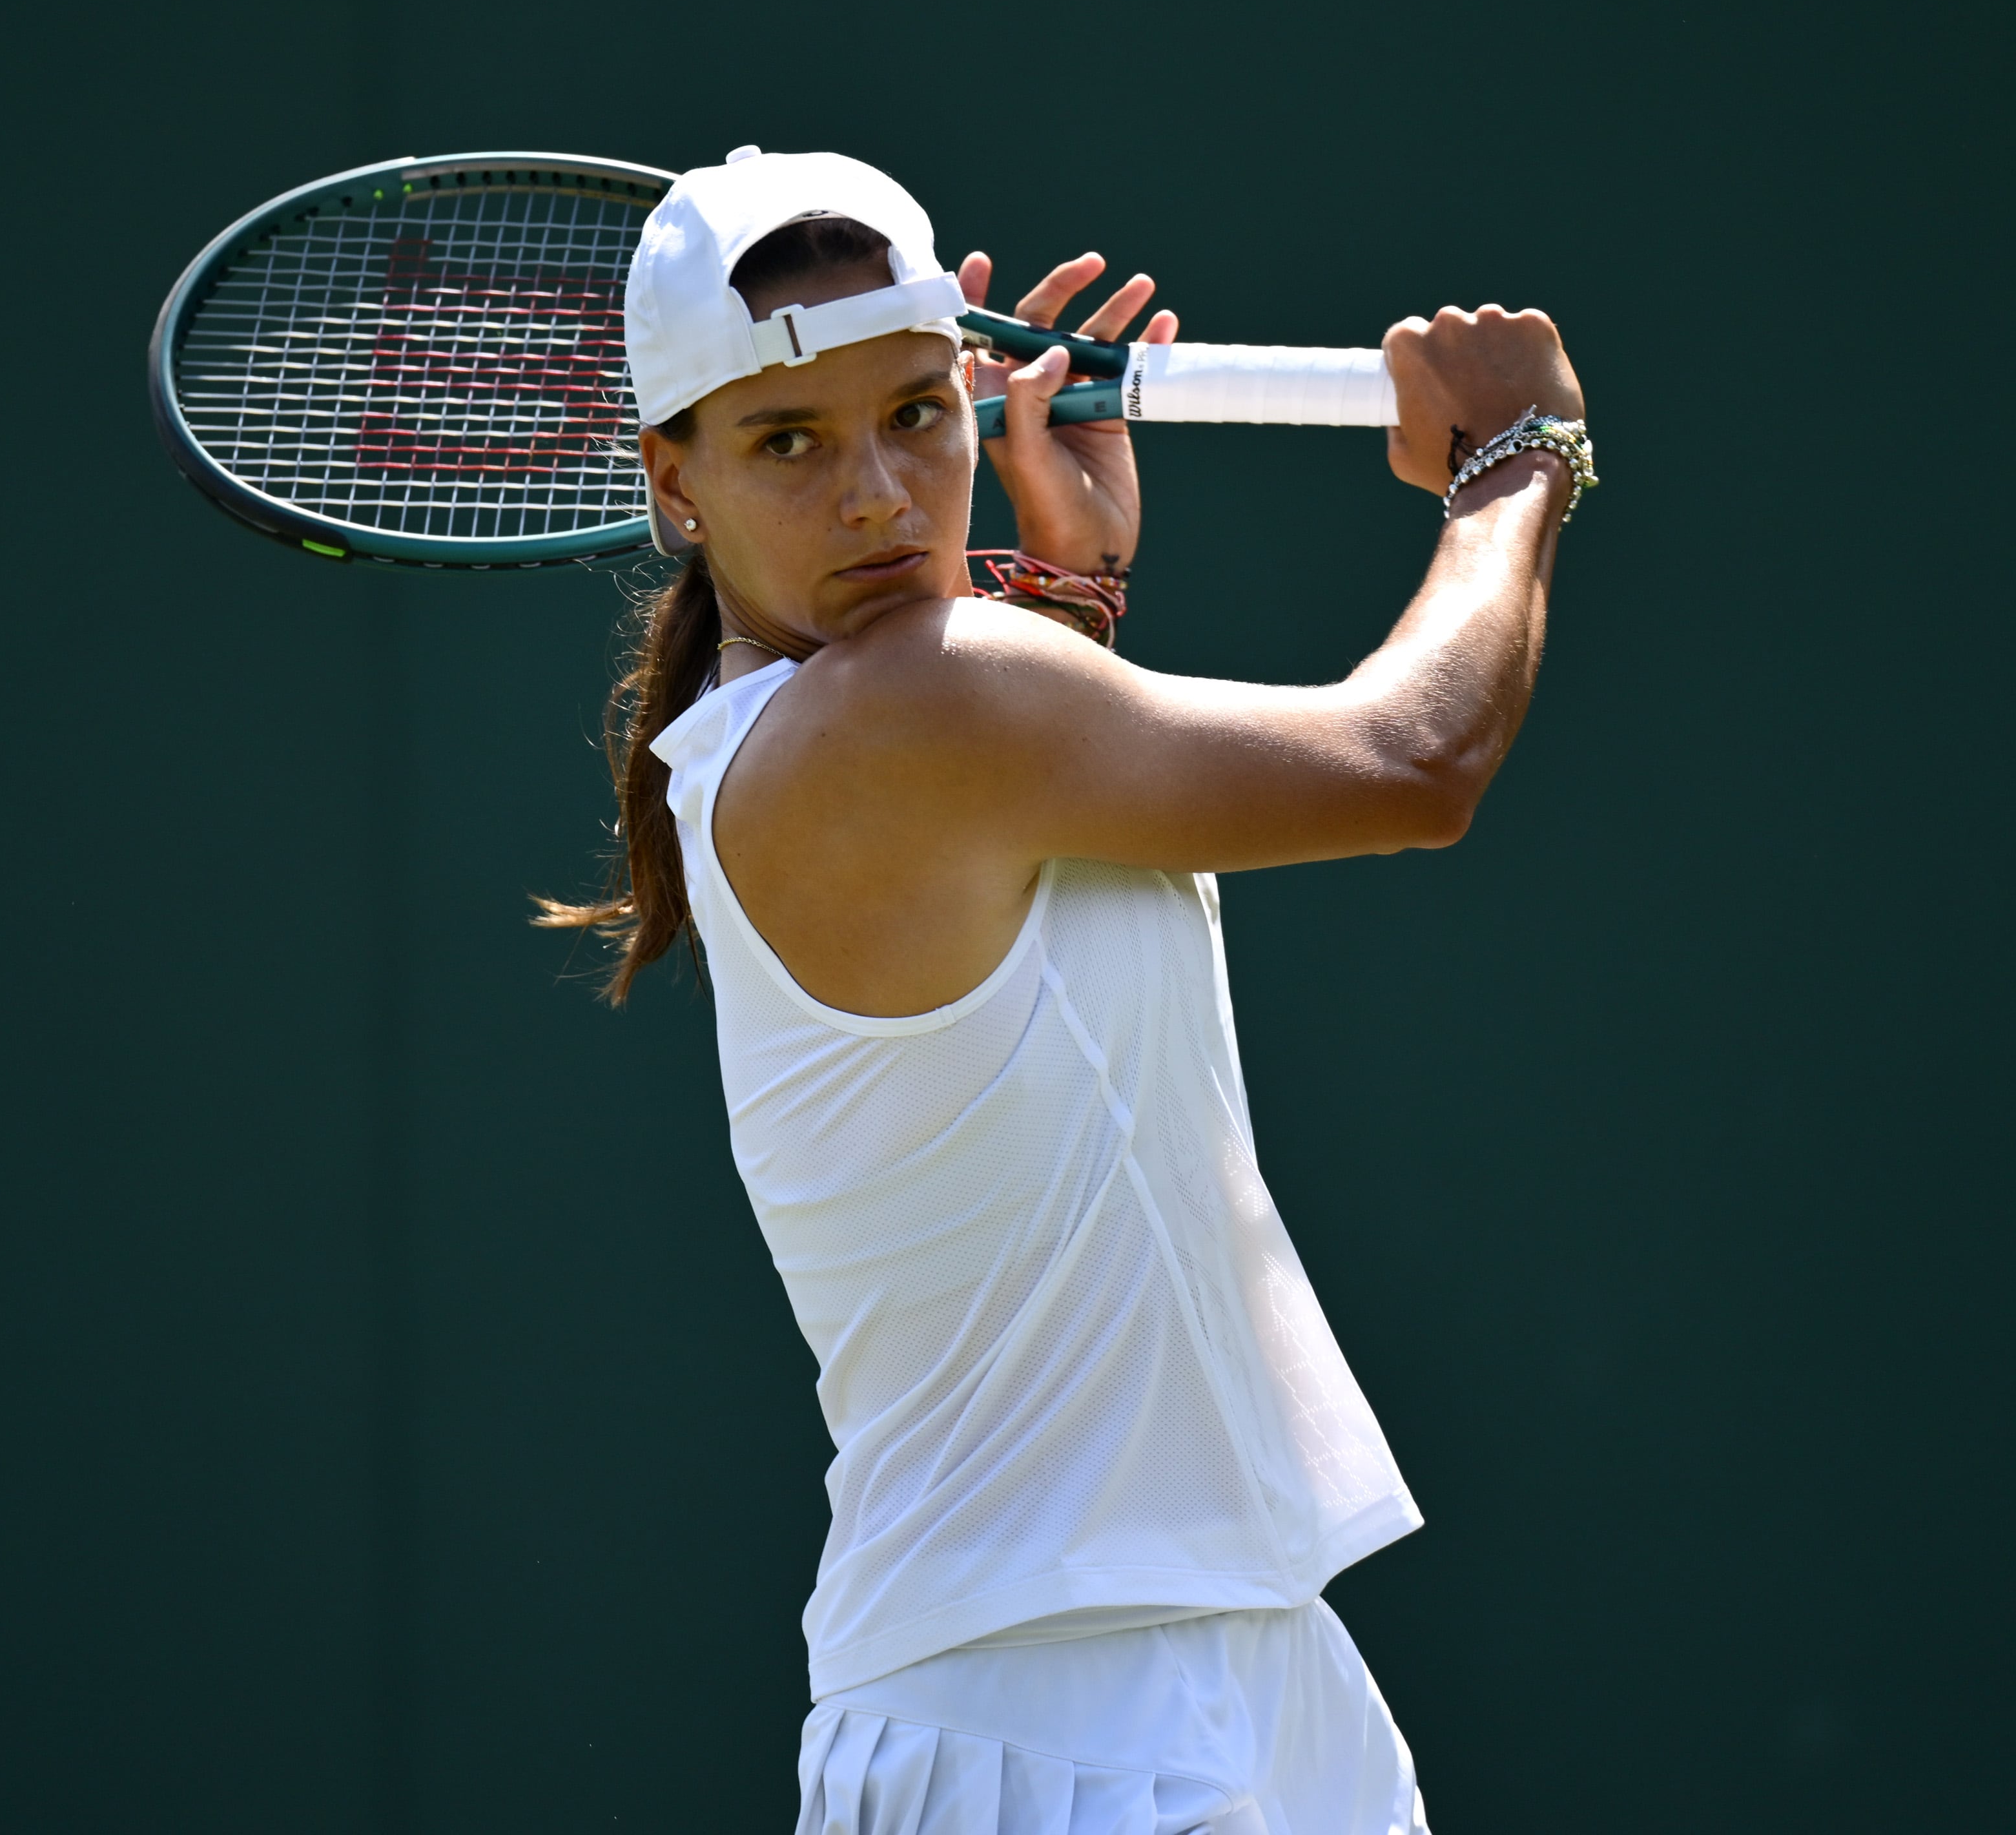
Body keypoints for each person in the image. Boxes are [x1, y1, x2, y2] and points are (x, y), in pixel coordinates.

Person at [539, 148, 1590, 1834]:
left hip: (1239, 1675)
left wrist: (1081, 590)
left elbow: (1049, 934)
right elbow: (1413, 762)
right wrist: (1518, 459)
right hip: (1035, 1732)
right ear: (675, 483)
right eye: (788, 443)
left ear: (973, 400)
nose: (879, 494)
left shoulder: (920, 714)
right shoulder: (909, 708)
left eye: (914, 416)